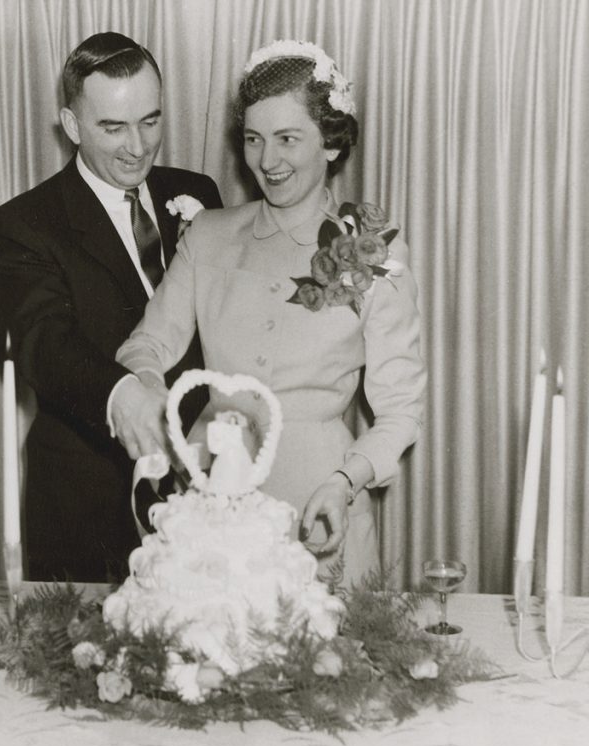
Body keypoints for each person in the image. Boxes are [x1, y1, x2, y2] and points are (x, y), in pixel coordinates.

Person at [111, 40, 426, 588]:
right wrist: (146, 386)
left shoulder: (375, 252)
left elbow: (402, 411)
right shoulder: (207, 236)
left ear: (330, 142)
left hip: (322, 504)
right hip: (214, 505)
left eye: (288, 139)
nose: (267, 161)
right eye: (254, 140)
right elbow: (148, 344)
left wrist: (344, 483)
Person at [0, 32, 222, 582]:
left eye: (151, 121)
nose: (137, 146)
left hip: (203, 491)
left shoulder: (198, 193)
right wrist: (121, 393)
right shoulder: (22, 225)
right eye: (113, 127)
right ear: (71, 126)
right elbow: (44, 343)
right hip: (84, 505)